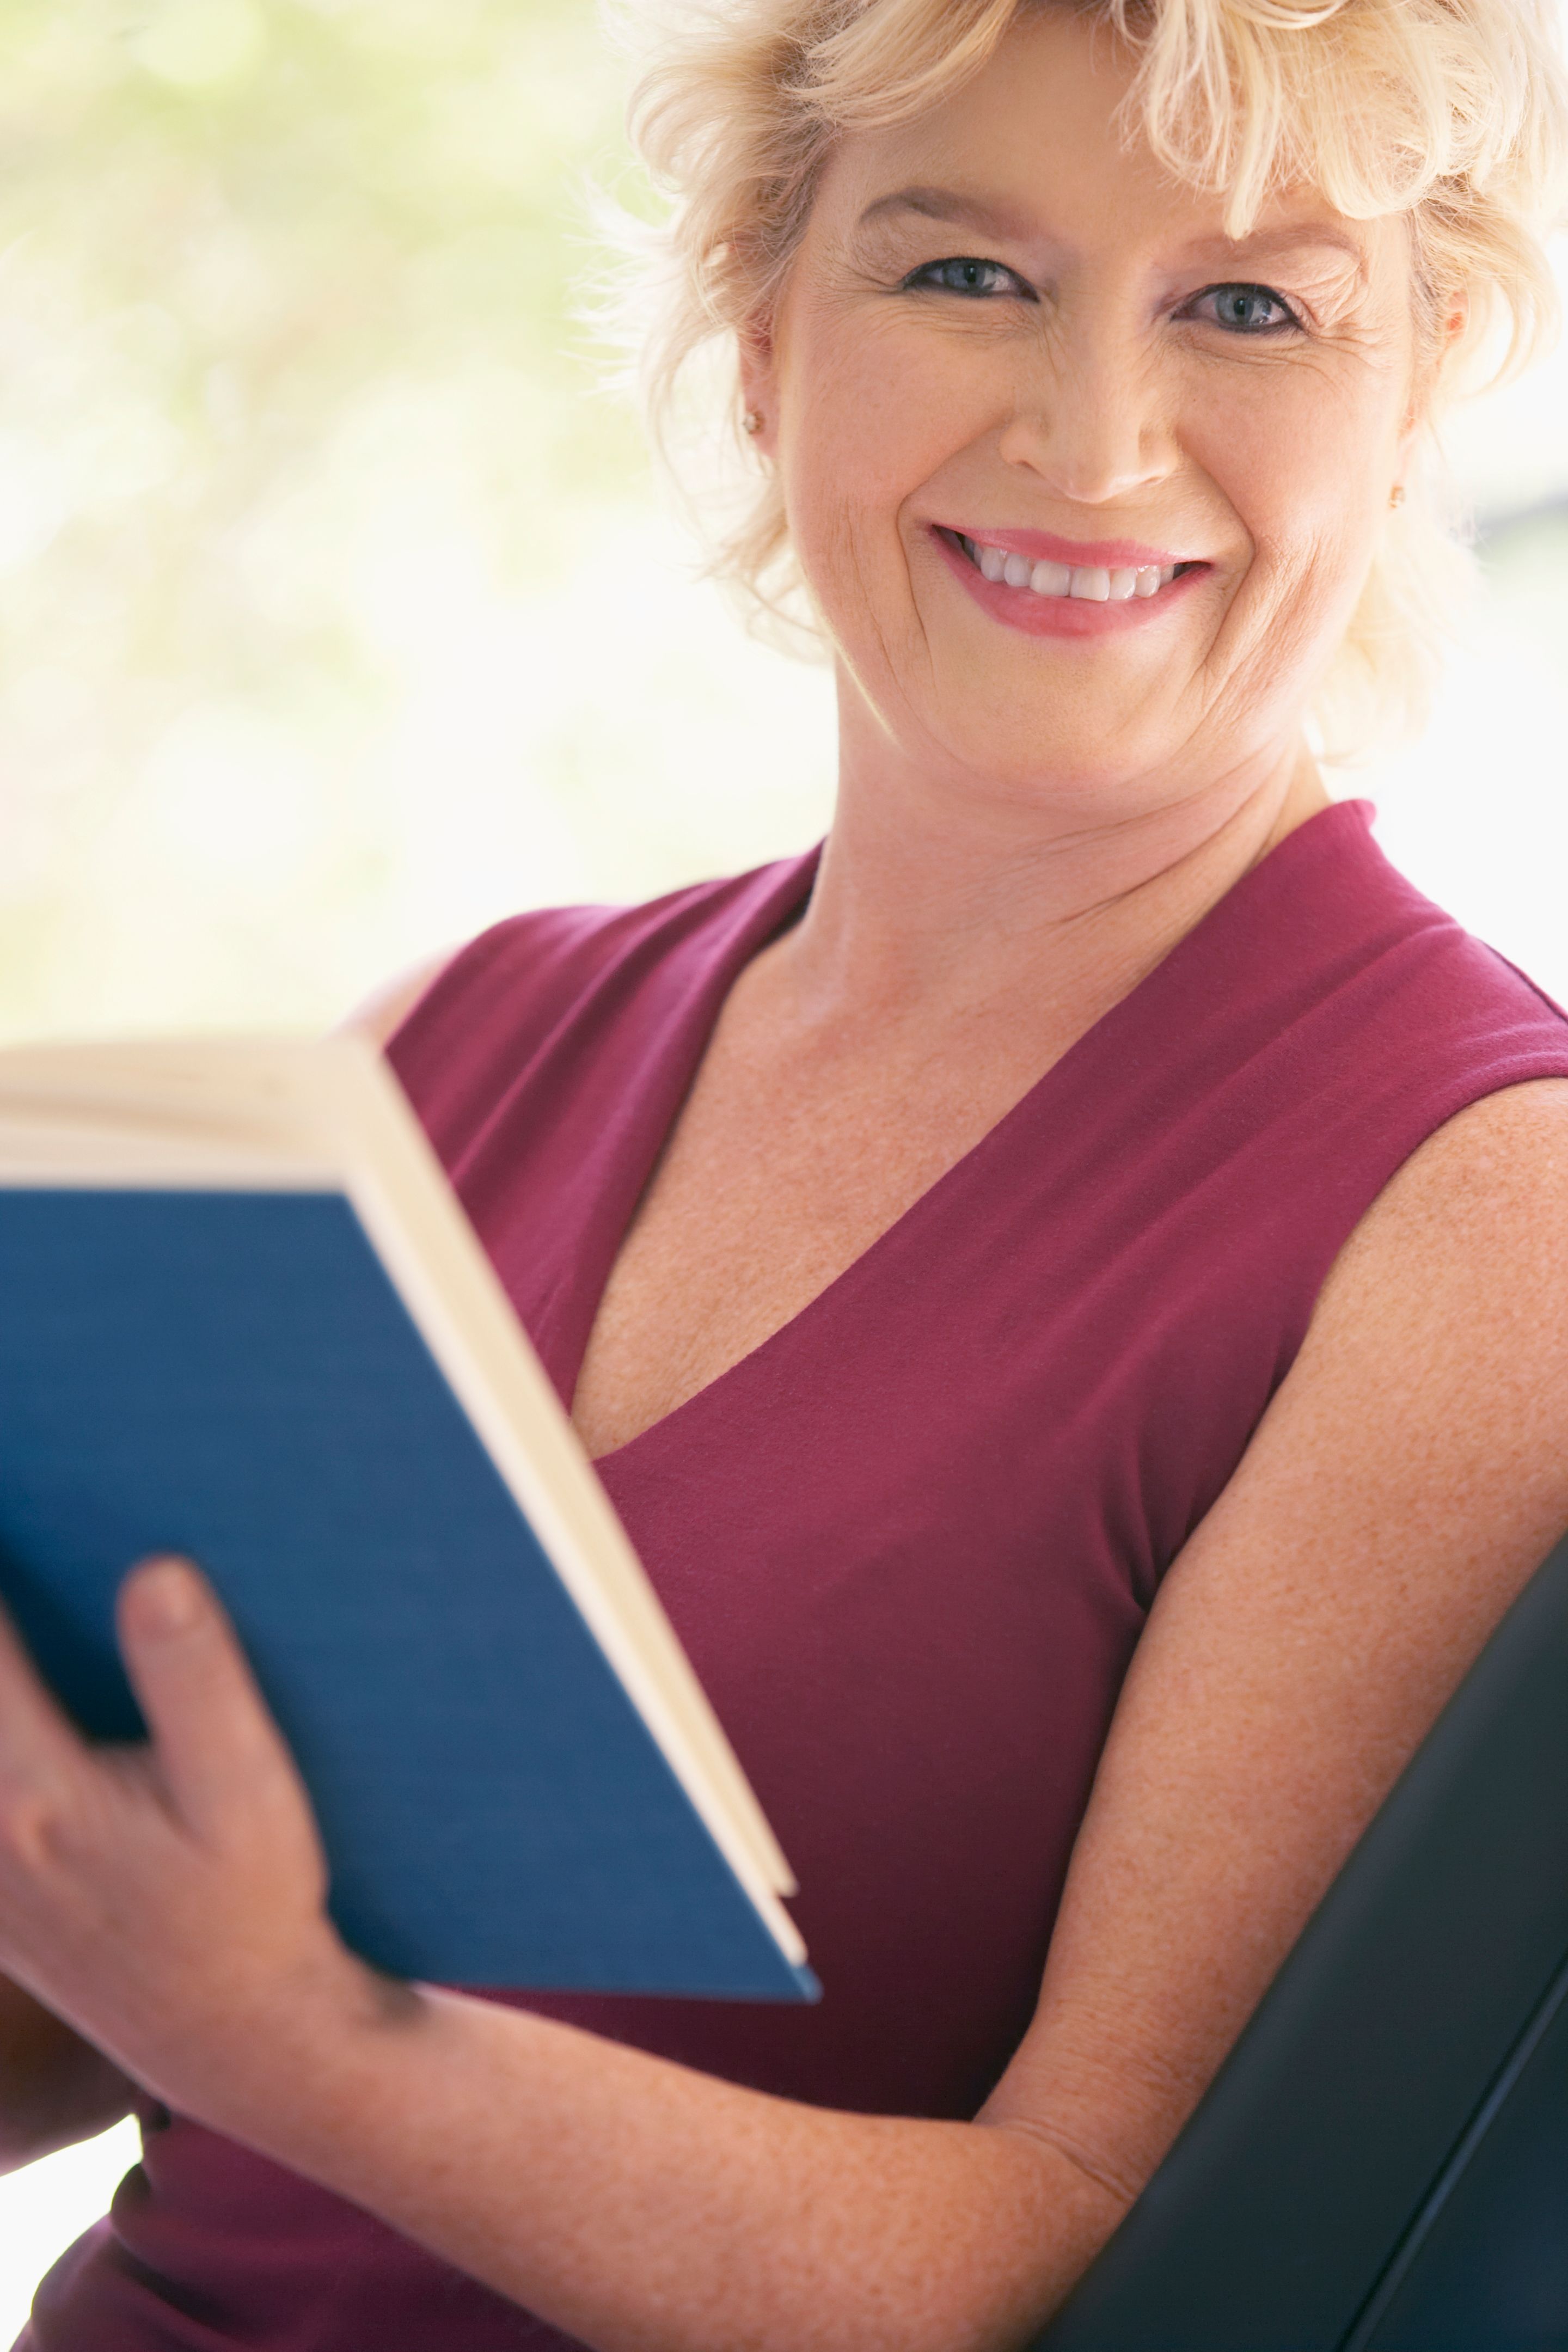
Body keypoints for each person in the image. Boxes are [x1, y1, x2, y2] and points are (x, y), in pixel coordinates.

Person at [3, 1, 1568, 2345]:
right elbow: (93, 1984)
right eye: (965, 276)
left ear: (1420, 390)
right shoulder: (455, 1046)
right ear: (761, 332)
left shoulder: (1479, 1214)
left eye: (1249, 305)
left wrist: (296, 2042)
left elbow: (1111, 2267)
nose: (1094, 434)